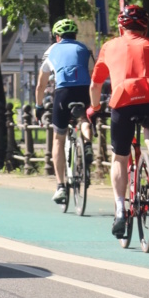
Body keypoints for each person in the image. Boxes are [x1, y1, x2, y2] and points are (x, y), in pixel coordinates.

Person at [88, 5, 149, 238]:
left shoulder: (109, 46)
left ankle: (121, 211)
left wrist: (94, 108)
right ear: (145, 27)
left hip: (123, 102)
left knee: (120, 157)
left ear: (121, 26)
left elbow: (95, 85)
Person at [36, 18, 94, 205]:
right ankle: (87, 144)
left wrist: (38, 107)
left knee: (58, 138)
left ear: (57, 36)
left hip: (63, 93)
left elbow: (40, 85)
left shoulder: (51, 50)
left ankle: (60, 186)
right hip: (84, 89)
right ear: (75, 35)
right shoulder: (84, 48)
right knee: (83, 118)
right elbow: (93, 73)